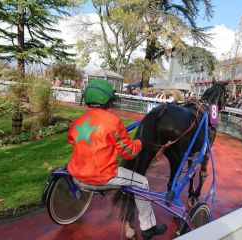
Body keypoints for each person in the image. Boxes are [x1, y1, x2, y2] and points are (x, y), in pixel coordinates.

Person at [67, 79, 167, 239]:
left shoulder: (77, 121)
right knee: (142, 182)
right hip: (101, 177)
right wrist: (140, 142)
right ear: (108, 101)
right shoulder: (113, 122)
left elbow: (72, 141)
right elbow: (129, 153)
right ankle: (149, 227)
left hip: (76, 177)